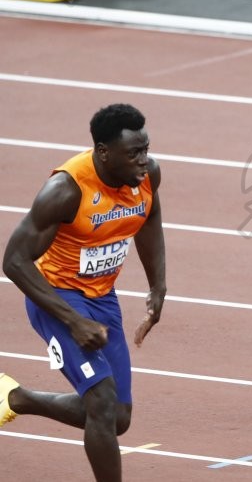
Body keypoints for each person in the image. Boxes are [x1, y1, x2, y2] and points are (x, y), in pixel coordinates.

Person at [1, 104, 167, 481]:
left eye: (146, 149)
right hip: (57, 297)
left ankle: (17, 398)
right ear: (104, 153)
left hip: (102, 296)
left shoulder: (146, 176)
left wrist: (158, 285)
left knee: (118, 417)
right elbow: (14, 261)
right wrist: (74, 321)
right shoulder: (65, 190)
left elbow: (150, 217)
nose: (144, 160)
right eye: (134, 153)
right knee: (102, 402)